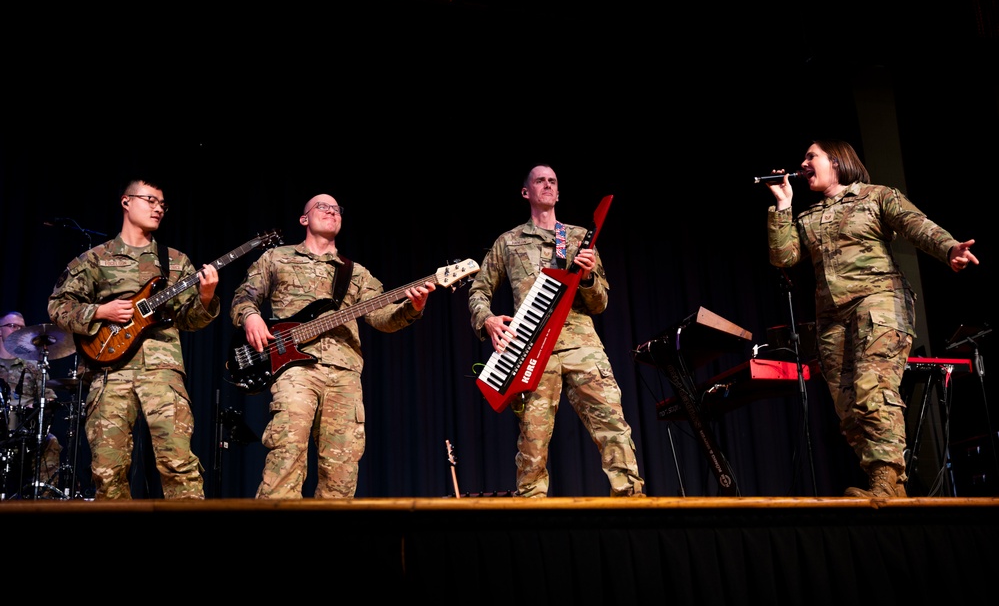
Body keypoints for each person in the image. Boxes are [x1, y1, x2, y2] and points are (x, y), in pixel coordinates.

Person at [766, 138, 979, 498]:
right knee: (848, 405)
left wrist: (948, 248)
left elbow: (915, 225)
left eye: (810, 156)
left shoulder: (876, 196)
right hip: (832, 319)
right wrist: (783, 205)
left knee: (873, 389)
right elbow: (783, 258)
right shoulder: (808, 215)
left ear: (836, 161)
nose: (803, 163)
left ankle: (885, 480)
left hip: (878, 304)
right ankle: (887, 484)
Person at [230, 193, 436, 499]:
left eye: (336, 209)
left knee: (341, 473)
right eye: (322, 207)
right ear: (304, 219)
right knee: (286, 452)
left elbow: (381, 318)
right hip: (294, 370)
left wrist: (412, 308)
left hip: (344, 374)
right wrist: (250, 318)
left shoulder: (356, 273)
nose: (331, 211)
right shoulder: (276, 258)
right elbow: (243, 297)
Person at [467, 164, 645, 498]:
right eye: (539, 181)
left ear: (559, 192)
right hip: (532, 348)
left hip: (581, 344)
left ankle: (631, 500)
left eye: (552, 181)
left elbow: (600, 303)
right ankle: (530, 511)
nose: (547, 185)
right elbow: (479, 290)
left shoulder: (580, 237)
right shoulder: (509, 241)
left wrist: (589, 278)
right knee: (533, 440)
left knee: (613, 425)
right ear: (526, 192)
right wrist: (487, 320)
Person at [47, 178, 220, 500]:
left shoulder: (176, 261)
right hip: (107, 372)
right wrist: (100, 312)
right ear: (126, 202)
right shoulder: (93, 260)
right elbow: (57, 307)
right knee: (106, 470)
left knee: (178, 463)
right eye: (150, 200)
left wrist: (207, 297)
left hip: (162, 370)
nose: (158, 208)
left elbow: (190, 321)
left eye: (162, 205)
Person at [0, 310, 63, 495]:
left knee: (51, 442)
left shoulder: (33, 365)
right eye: (12, 326)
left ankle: (43, 502)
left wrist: (42, 403)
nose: (18, 330)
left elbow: (49, 395)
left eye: (22, 327)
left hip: (25, 428)